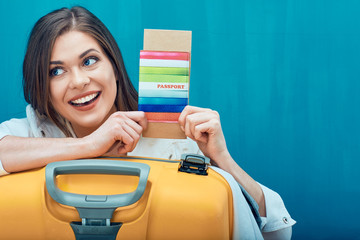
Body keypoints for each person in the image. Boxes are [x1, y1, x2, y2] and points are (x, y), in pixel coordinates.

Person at [0, 6, 295, 239]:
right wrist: (89, 145)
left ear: (114, 66)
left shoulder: (174, 136)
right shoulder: (29, 131)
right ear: (42, 85)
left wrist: (223, 161)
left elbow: (278, 233)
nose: (79, 81)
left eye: (90, 61)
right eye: (56, 71)